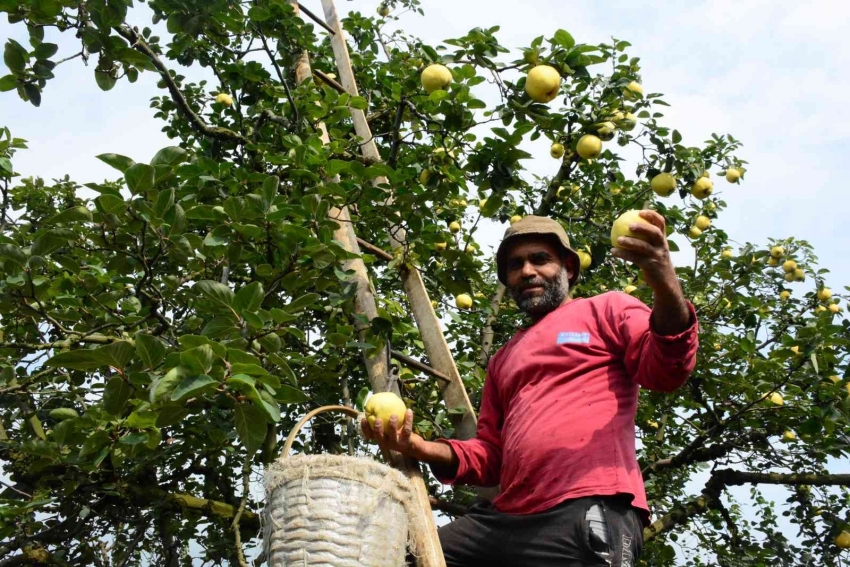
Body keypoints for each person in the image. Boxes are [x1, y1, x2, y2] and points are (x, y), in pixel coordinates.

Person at [362, 212, 698, 566]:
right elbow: (491, 456)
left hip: (584, 505)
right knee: (400, 555)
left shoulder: (606, 309)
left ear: (569, 267)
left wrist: (662, 275)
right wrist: (419, 447)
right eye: (515, 265)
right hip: (505, 519)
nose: (526, 271)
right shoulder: (504, 358)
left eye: (539, 259)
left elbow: (667, 368)